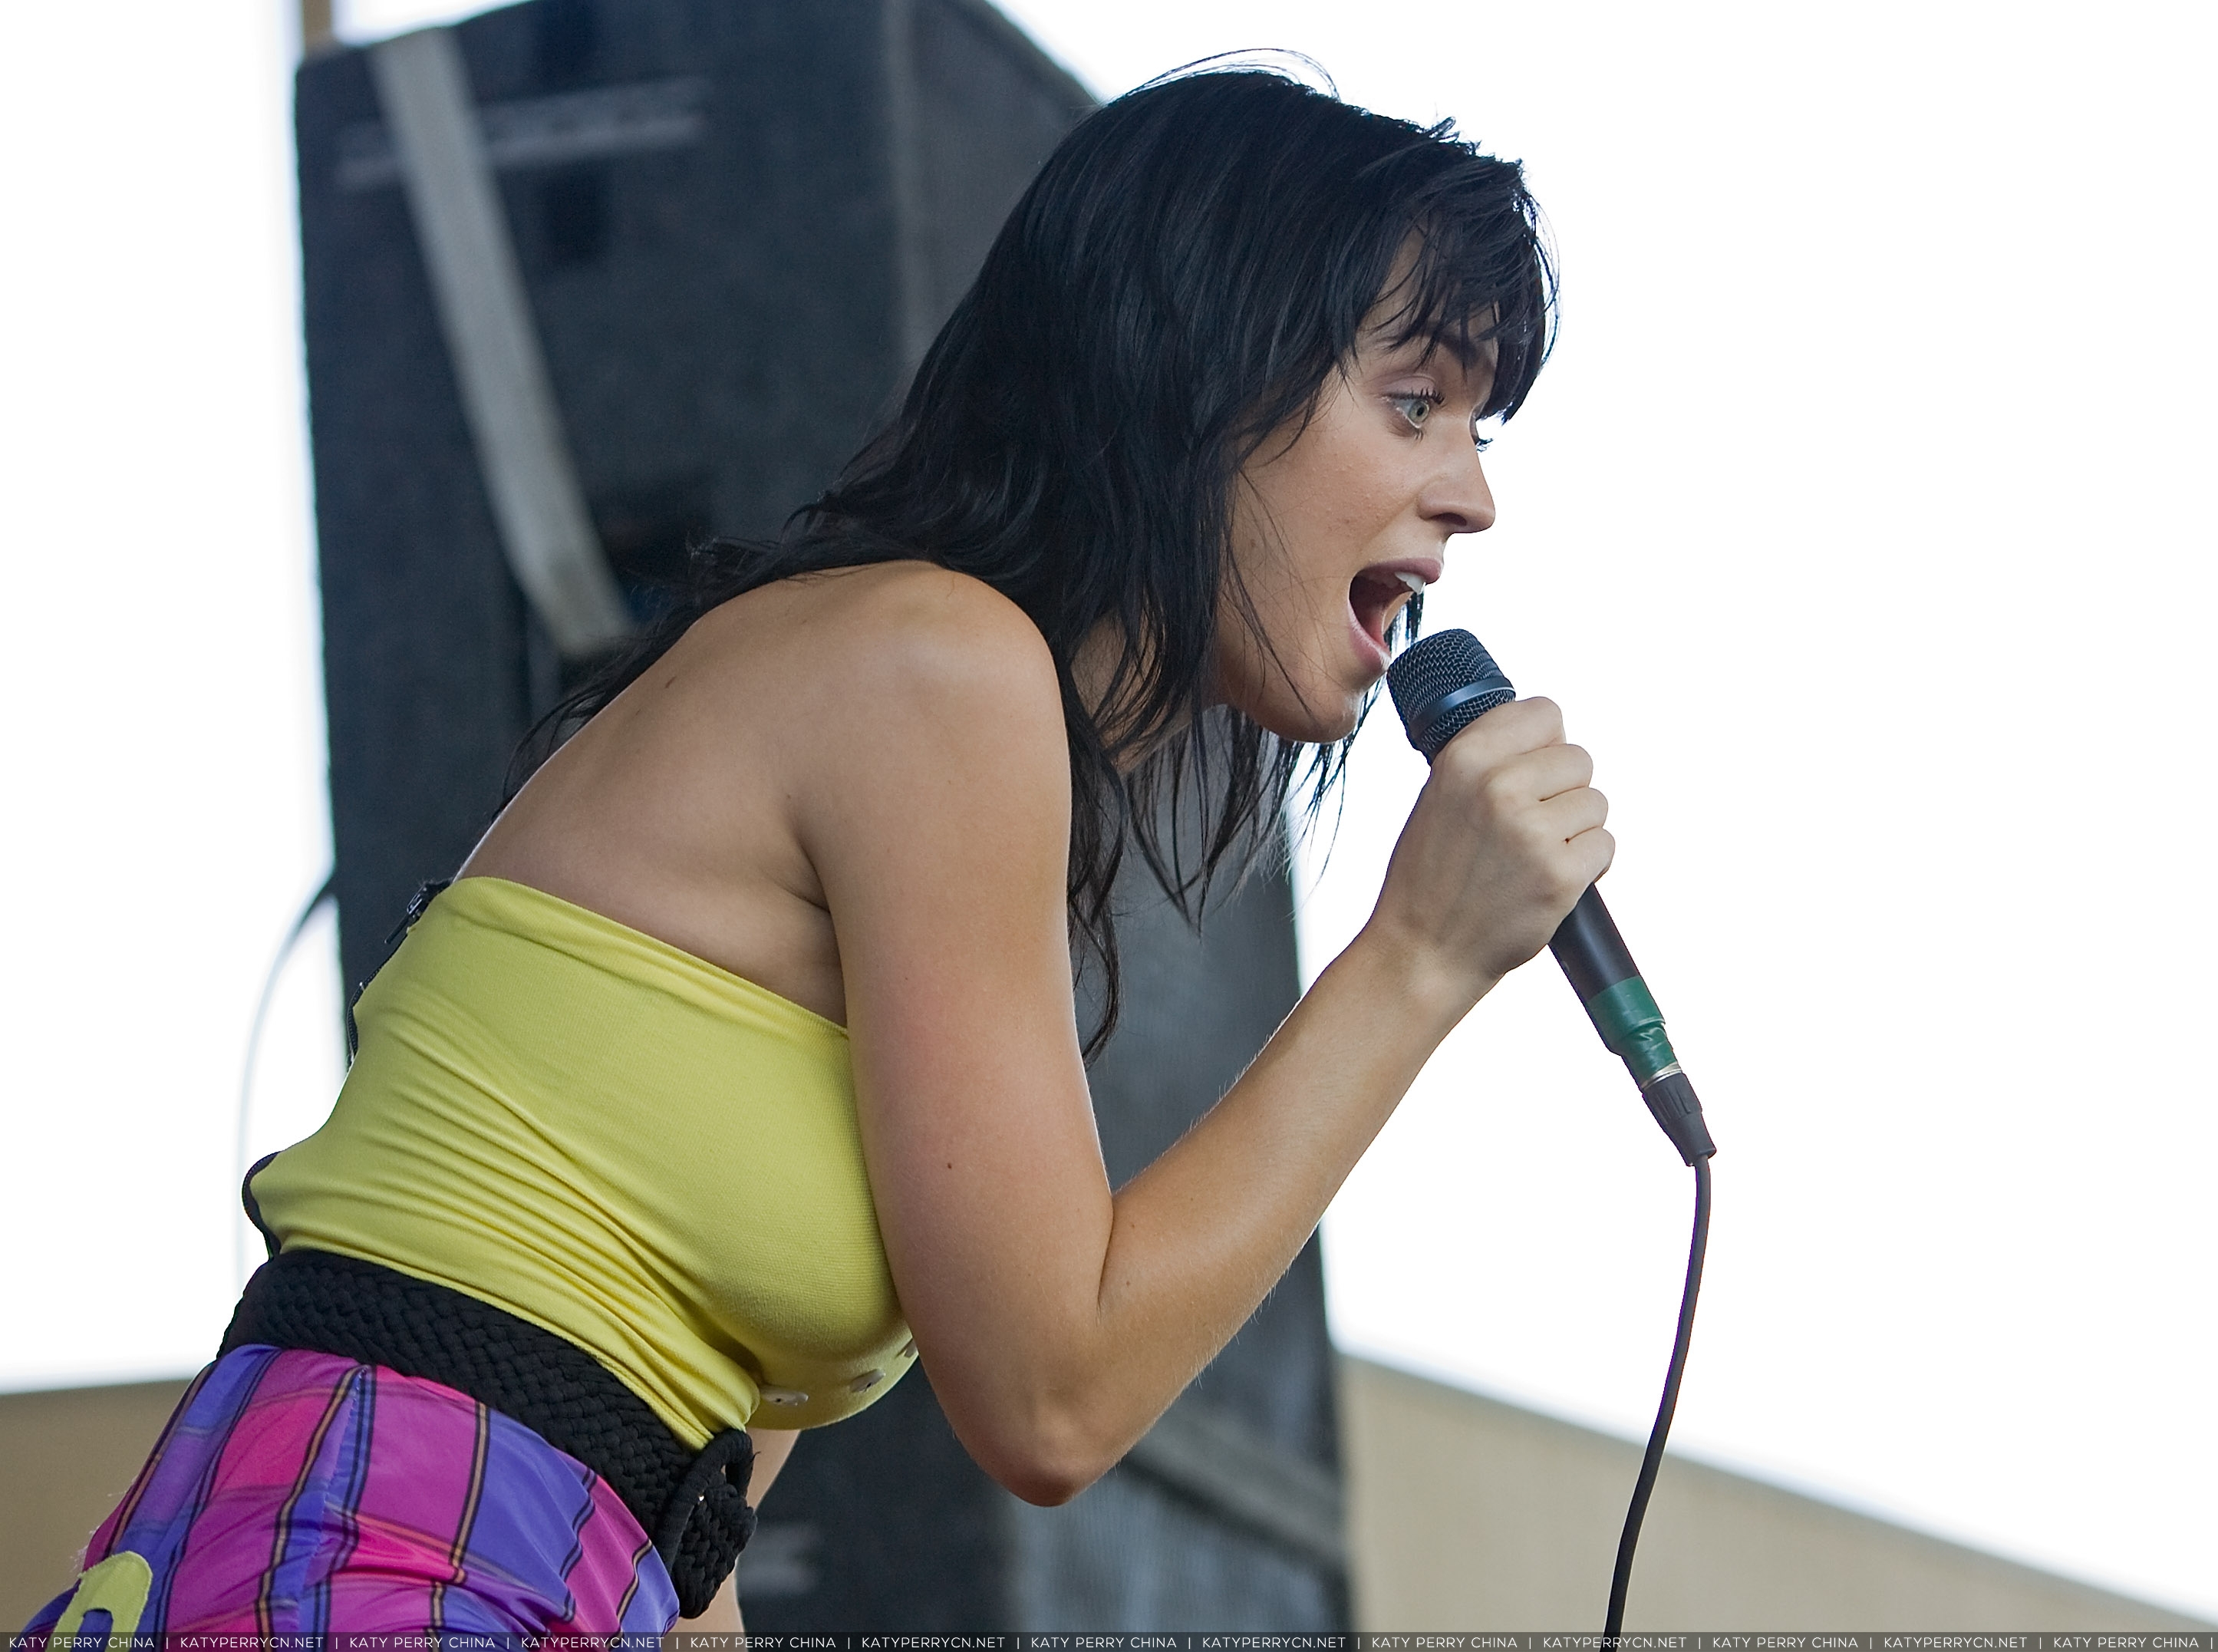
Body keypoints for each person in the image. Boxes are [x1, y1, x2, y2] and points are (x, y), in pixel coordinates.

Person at [25, 65, 1607, 1640]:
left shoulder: (944, 730)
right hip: (366, 1560)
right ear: (1197, 376)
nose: (1469, 494)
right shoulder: (938, 668)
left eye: (1476, 426)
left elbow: (669, 1504)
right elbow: (1053, 1401)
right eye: (1413, 406)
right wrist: (1419, 958)